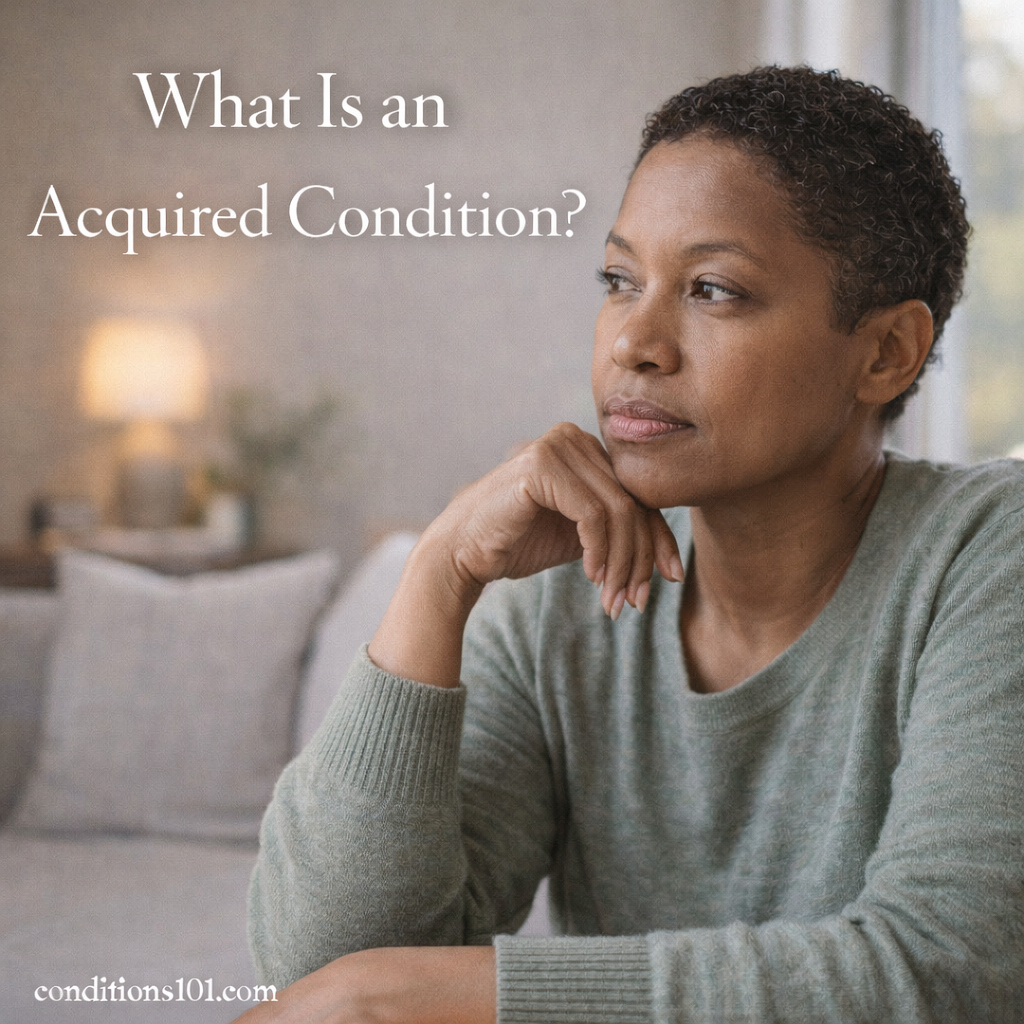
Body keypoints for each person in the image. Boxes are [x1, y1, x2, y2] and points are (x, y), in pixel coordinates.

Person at [237, 66, 1024, 1023]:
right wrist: (437, 575)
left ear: (887, 352)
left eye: (713, 290)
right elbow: (327, 968)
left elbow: (951, 974)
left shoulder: (990, 556)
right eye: (619, 281)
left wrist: (446, 1000)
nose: (633, 343)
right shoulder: (556, 603)